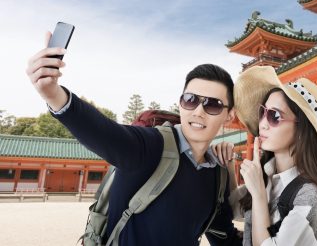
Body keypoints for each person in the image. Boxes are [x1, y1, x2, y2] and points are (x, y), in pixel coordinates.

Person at [26, 32, 240, 245]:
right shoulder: (150, 146)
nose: (198, 111)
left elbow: (224, 236)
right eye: (191, 100)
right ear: (181, 103)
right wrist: (54, 95)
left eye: (212, 104)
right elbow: (104, 132)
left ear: (229, 115)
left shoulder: (217, 175)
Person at [218, 66, 317, 246]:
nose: (263, 125)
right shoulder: (269, 175)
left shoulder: (313, 195)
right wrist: (228, 163)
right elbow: (233, 207)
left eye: (274, 116)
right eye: (262, 113)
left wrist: (259, 196)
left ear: (300, 130)